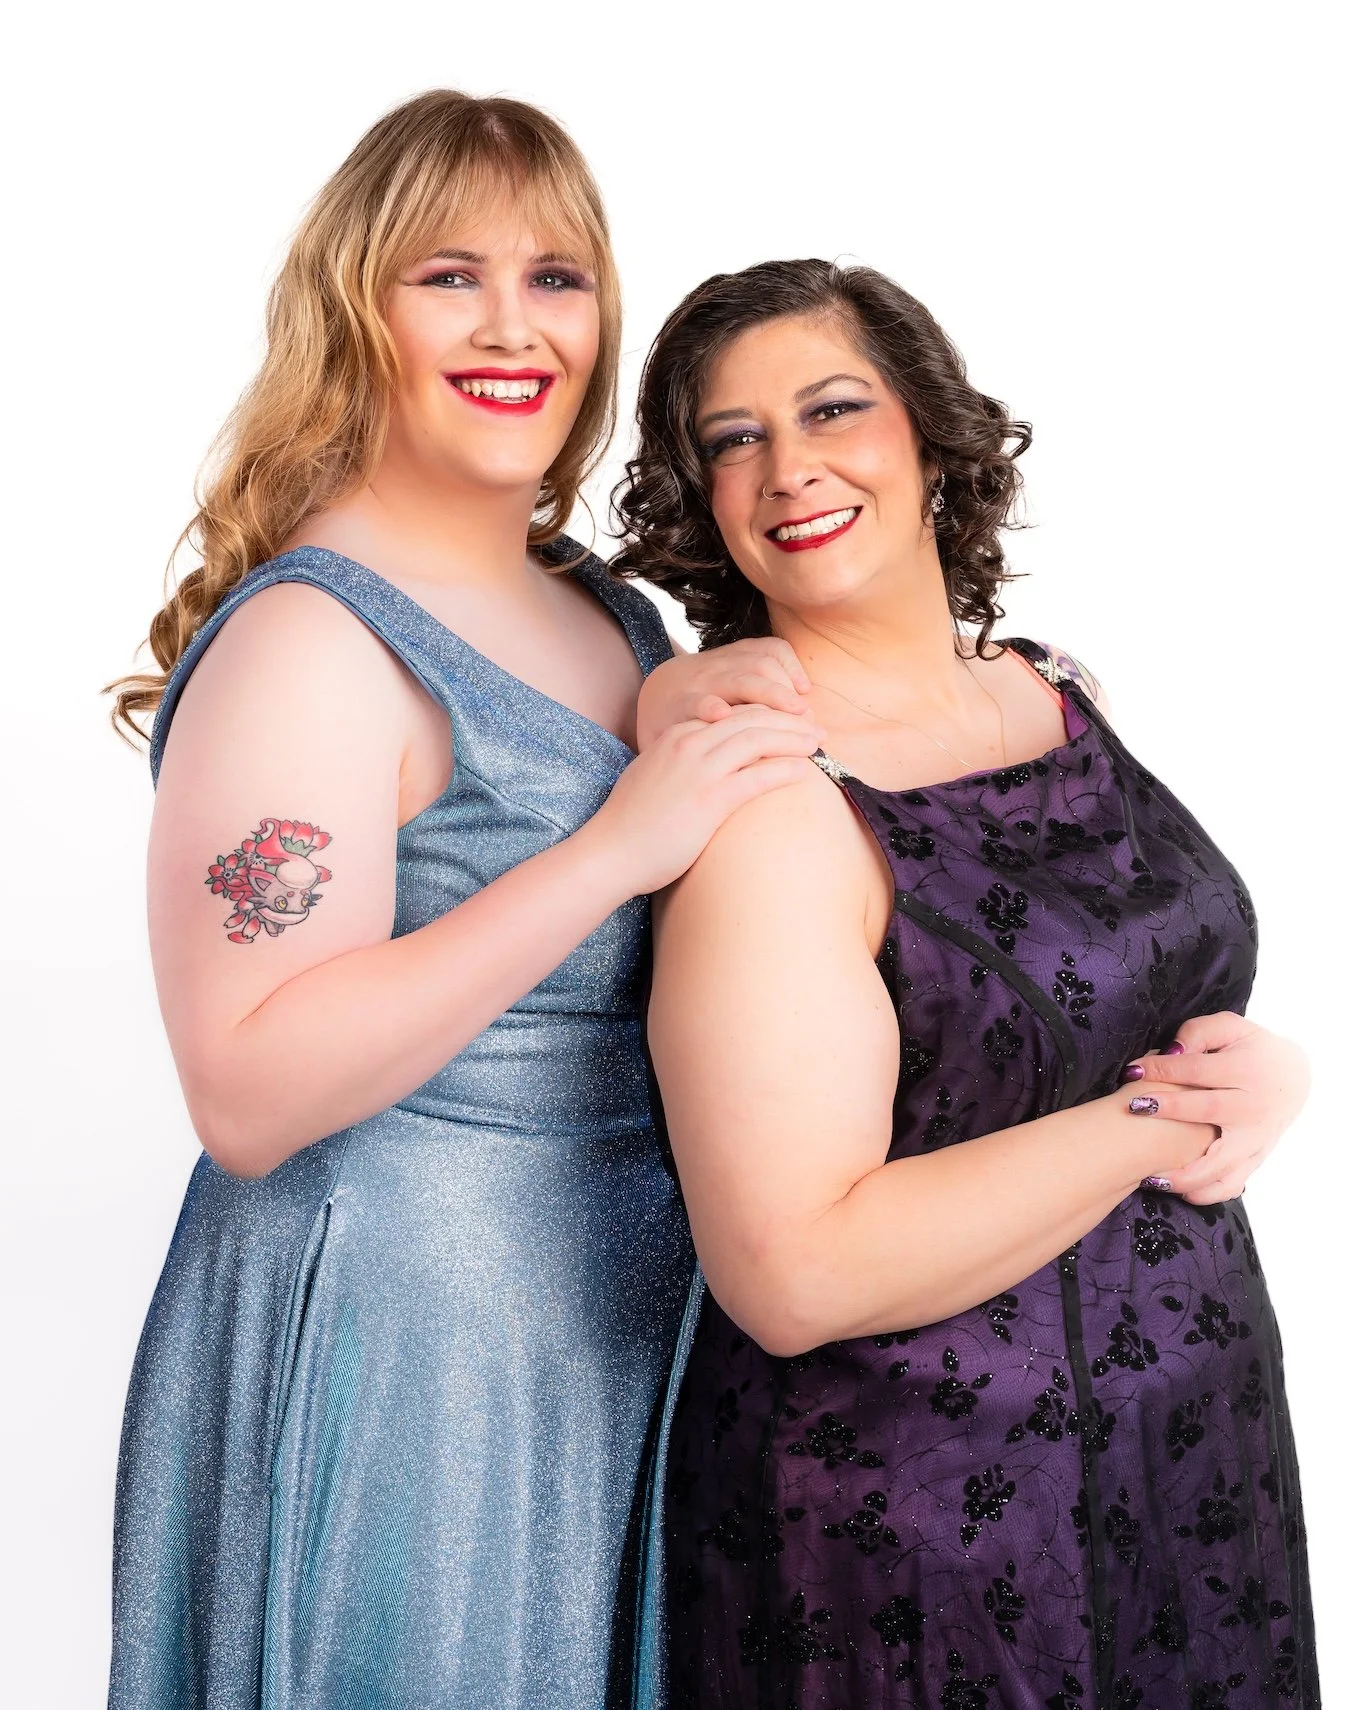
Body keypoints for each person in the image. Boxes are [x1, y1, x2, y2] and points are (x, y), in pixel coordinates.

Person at [103, 94, 820, 1710]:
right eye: (451, 276)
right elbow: (250, 1085)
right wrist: (612, 850)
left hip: (619, 1333)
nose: (516, 327)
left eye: (558, 278)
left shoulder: (609, 612)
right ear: (359, 308)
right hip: (401, 1349)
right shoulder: (312, 641)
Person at [616, 259, 1317, 1707]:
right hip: (920, 1548)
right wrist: (1160, 1120)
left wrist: (1262, 1071)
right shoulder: (771, 805)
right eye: (733, 438)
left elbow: (1115, 996)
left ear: (932, 438)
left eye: (831, 408)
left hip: (1190, 1469)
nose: (789, 465)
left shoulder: (1056, 690)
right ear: (705, 499)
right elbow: (793, 1270)